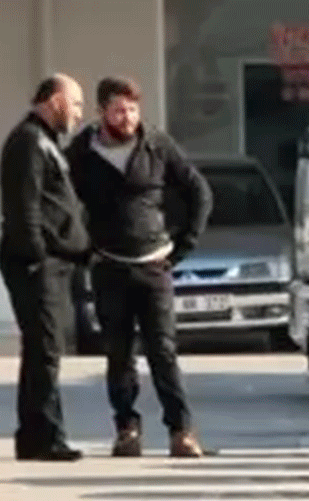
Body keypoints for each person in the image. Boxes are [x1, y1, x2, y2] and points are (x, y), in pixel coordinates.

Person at [65, 76, 213, 458]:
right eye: (118, 110)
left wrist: (183, 246)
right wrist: (80, 249)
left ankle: (181, 431)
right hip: (109, 266)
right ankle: (126, 429)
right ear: (101, 112)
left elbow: (198, 190)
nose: (127, 117)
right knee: (119, 354)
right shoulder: (82, 151)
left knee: (163, 351)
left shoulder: (156, 144)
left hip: (154, 266)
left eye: (132, 109)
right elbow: (61, 202)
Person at [0, 73, 89, 462]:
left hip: (55, 262)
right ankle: (47, 437)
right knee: (45, 349)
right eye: (76, 103)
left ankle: (34, 436)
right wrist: (36, 257)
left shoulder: (47, 142)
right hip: (37, 264)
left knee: (42, 349)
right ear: (55, 101)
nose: (80, 113)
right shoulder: (29, 142)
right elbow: (25, 206)